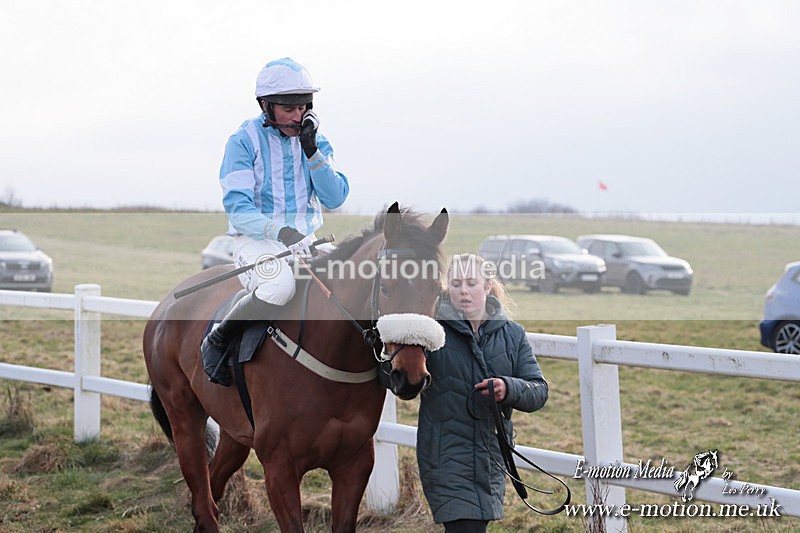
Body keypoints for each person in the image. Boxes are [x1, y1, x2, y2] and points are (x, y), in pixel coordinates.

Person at [201, 57, 349, 386]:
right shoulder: (242, 141)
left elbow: (335, 197)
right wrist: (280, 231)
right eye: (288, 108)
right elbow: (238, 208)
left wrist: (311, 151)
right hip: (255, 240)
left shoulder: (316, 141)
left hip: (306, 240)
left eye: (303, 106)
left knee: (353, 279)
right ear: (266, 106)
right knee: (279, 286)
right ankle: (219, 339)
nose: (297, 116)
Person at [416, 254, 549, 532]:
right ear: (447, 287)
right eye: (456, 283)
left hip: (490, 460)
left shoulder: (513, 334)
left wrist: (507, 387)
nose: (463, 290)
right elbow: (402, 383)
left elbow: (538, 391)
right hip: (445, 457)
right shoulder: (429, 331)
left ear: (487, 287)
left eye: (471, 283)